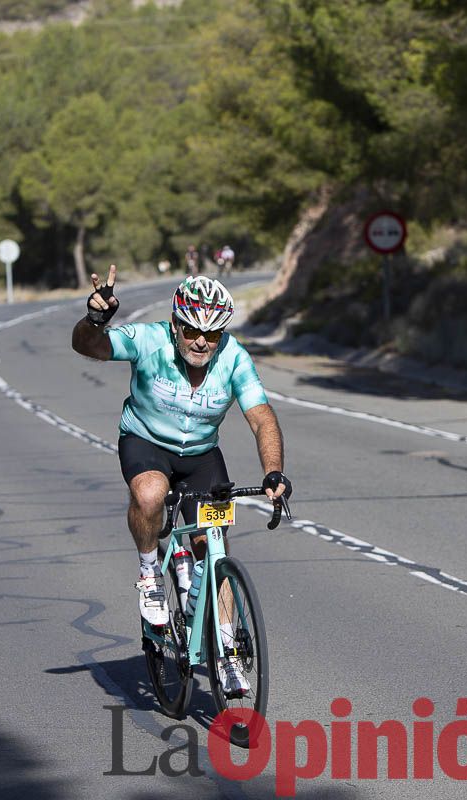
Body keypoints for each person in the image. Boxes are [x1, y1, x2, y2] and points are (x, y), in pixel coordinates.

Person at [71, 266, 290, 697]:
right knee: (150, 493)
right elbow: (90, 346)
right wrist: (95, 320)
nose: (201, 342)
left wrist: (273, 471)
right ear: (175, 323)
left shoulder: (233, 357)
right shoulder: (148, 340)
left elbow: (262, 418)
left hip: (201, 457)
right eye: (191, 331)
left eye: (211, 333)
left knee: (215, 546)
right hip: (146, 442)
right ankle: (151, 573)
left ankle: (226, 653)